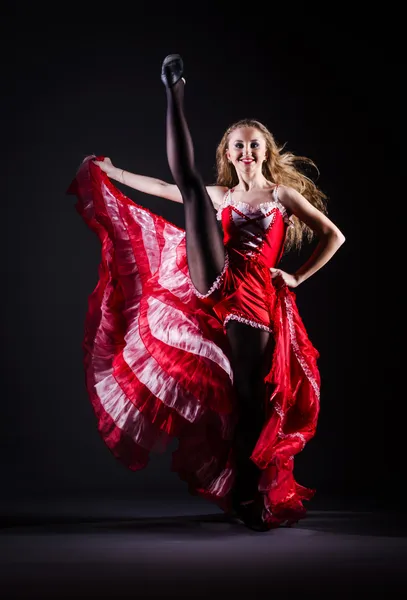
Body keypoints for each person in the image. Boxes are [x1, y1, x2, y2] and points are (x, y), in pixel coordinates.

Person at [67, 54, 345, 532]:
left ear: (265, 151)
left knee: (248, 402)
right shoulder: (224, 195)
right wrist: (113, 174)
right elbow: (164, 185)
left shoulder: (281, 197)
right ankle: (174, 91)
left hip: (256, 301)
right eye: (238, 146)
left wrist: (295, 277)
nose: (245, 153)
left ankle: (247, 495)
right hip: (217, 280)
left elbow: (334, 236)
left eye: (253, 146)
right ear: (230, 152)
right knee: (192, 189)